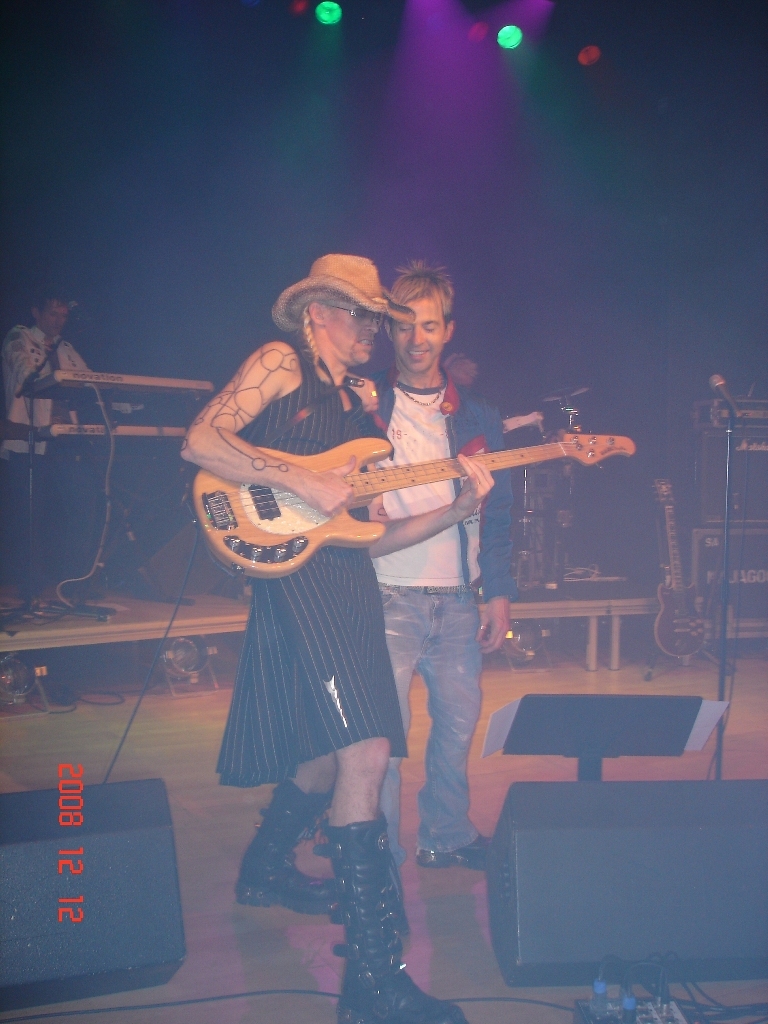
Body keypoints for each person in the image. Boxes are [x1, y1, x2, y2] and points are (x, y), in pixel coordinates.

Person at [182, 254, 498, 1024]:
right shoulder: (279, 362)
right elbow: (201, 441)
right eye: (360, 313)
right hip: (297, 583)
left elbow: (370, 538)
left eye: (374, 317)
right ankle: (372, 981)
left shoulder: (360, 403)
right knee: (366, 751)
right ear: (316, 311)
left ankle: (264, 870)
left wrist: (455, 512)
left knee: (330, 754)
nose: (372, 329)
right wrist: (297, 478)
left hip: (348, 580)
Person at [369, 262, 517, 870]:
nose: (416, 339)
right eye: (404, 325)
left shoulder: (479, 416)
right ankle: (375, 849)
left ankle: (447, 836)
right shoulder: (365, 405)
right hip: (385, 593)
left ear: (448, 330)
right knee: (382, 742)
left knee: (457, 730)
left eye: (428, 326)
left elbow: (499, 513)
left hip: (458, 598)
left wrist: (498, 593)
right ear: (389, 331)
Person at [1, 288, 91, 600]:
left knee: (80, 506)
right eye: (53, 313)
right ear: (36, 312)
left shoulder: (66, 347)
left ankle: (74, 580)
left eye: (63, 315)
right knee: (30, 516)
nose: (59, 320)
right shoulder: (19, 337)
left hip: (63, 442)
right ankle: (31, 585)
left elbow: (91, 382)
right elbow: (28, 376)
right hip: (28, 441)